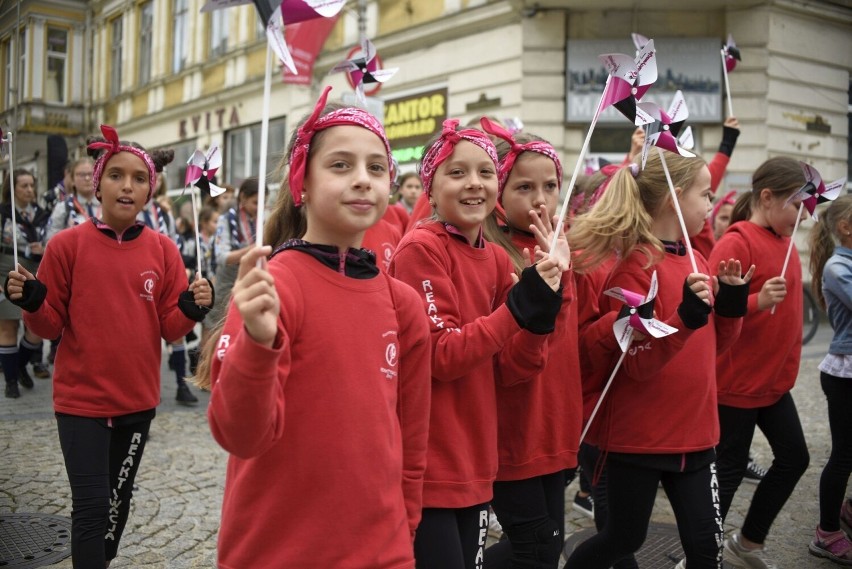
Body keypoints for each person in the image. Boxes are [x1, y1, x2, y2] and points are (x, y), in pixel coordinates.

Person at [195, 86, 431, 568]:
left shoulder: (402, 303)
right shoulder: (271, 287)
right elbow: (240, 435)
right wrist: (258, 345)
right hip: (278, 551)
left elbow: (411, 438)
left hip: (383, 551)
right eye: (340, 165)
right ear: (301, 183)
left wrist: (404, 529)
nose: (363, 180)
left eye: (376, 167)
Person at [4, 124, 212, 567]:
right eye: (116, 175)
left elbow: (170, 330)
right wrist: (34, 301)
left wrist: (193, 308)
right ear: (97, 184)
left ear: (149, 192)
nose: (128, 186)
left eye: (139, 179)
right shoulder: (66, 246)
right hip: (80, 402)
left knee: (116, 511)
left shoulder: (164, 249)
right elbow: (48, 327)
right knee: (93, 507)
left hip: (137, 401)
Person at [388, 118, 565, 569]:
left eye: (485, 173)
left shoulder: (492, 256)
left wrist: (543, 306)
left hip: (476, 456)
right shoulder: (420, 250)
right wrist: (519, 308)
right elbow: (442, 356)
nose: (474, 184)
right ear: (431, 184)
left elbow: (513, 367)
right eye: (457, 172)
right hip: (431, 458)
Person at [565, 150, 753, 569]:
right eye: (705, 194)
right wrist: (683, 318)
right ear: (675, 197)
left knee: (707, 549)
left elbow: (713, 349)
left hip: (698, 434)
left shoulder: (697, 258)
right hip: (640, 441)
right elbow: (639, 363)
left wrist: (732, 303)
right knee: (621, 539)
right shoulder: (634, 268)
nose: (710, 203)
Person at [478, 118, 581, 569]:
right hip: (513, 433)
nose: (540, 199)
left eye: (551, 185)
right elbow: (510, 367)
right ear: (498, 194)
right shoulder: (494, 255)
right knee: (534, 552)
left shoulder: (564, 246)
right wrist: (541, 296)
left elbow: (574, 349)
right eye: (523, 187)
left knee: (545, 550)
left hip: (553, 428)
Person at [709, 156, 811, 568]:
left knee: (795, 458)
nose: (802, 216)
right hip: (738, 382)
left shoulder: (786, 243)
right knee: (728, 473)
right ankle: (702, 553)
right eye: (796, 205)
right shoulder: (737, 241)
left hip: (772, 384)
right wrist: (755, 300)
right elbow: (712, 307)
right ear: (767, 197)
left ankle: (747, 542)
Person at [807, 194, 852, 564]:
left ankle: (848, 509)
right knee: (843, 455)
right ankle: (826, 531)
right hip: (845, 372)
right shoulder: (838, 268)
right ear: (845, 228)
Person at [137, 169, 198, 406]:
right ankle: (141, 394)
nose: (156, 181)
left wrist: (182, 268)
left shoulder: (163, 213)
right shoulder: (132, 211)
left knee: (177, 333)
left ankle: (181, 385)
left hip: (165, 278)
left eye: (159, 177)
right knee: (142, 336)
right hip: (141, 279)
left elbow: (173, 245)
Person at [0, 169, 50, 398]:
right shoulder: (3, 213)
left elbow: (53, 238)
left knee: (36, 329)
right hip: (6, 270)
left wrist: (44, 247)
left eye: (32, 185)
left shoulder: (42, 214)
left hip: (34, 271)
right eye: (24, 186)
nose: (29, 190)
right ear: (12, 189)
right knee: (8, 326)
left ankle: (19, 365)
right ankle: (11, 381)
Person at [209, 177, 259, 327]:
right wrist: (251, 250)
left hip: (248, 281)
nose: (259, 207)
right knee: (216, 327)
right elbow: (221, 257)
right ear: (243, 197)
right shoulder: (226, 220)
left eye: (263, 202)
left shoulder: (260, 220)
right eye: (255, 202)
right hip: (226, 284)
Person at [45, 157, 98, 242]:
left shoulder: (108, 205)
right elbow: (51, 240)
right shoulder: (63, 207)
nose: (87, 178)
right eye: (81, 175)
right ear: (72, 180)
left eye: (91, 174)